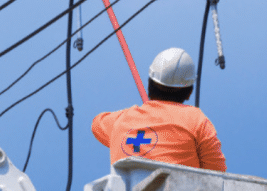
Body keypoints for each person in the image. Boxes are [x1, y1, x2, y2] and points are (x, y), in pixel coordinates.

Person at [91, 47, 226, 172]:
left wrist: (132, 116)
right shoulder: (196, 120)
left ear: (149, 85)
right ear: (189, 92)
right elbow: (218, 178)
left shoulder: (120, 120)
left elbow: (97, 123)